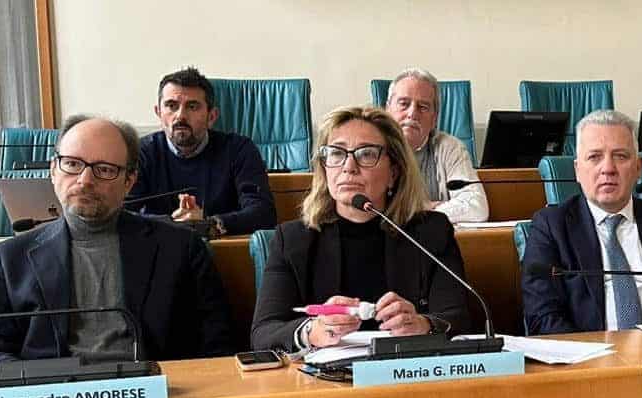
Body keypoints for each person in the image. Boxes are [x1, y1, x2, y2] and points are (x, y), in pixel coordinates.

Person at [0, 116, 233, 370]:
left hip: (155, 389)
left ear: (129, 181)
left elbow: (217, 346)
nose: (85, 180)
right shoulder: (7, 260)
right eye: (72, 164)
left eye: (104, 169)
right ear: (53, 171)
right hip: (50, 393)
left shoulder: (181, 248)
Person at [251, 106, 473, 351]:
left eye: (366, 154)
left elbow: (460, 319)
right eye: (336, 153)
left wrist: (423, 324)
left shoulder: (430, 232)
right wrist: (311, 331)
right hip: (325, 373)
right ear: (324, 168)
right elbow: (264, 333)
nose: (349, 166)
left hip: (407, 369)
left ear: (394, 172)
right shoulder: (293, 240)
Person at [520, 109, 642, 335]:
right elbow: (542, 318)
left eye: (620, 156)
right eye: (594, 157)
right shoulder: (551, 227)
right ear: (577, 170)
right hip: (592, 352)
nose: (608, 169)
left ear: (638, 168)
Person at [126, 66, 276, 237]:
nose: (180, 116)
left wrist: (208, 225)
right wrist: (175, 224)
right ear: (158, 112)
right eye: (171, 106)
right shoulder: (140, 152)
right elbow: (121, 214)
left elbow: (263, 213)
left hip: (222, 249)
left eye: (192, 106)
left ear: (212, 116)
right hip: (158, 248)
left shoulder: (239, 149)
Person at [384, 68, 488, 224]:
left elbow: (477, 208)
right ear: (387, 109)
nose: (412, 113)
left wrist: (420, 212)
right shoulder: (371, 148)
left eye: (423, 107)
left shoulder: (450, 147)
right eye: (404, 104)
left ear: (434, 118)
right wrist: (424, 209)